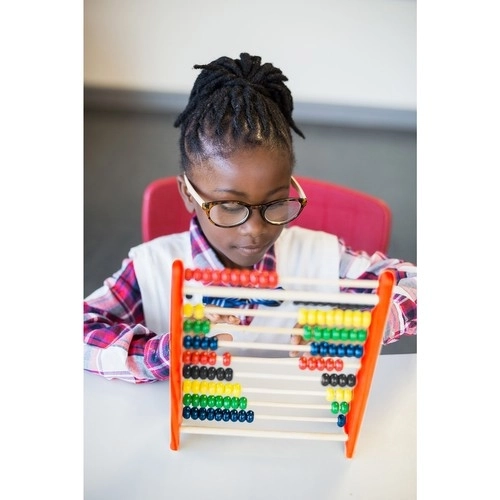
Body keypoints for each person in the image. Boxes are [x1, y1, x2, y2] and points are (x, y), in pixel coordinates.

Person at [84, 52, 417, 384]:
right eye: (230, 206)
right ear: (188, 194)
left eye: (275, 203)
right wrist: (165, 352)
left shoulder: (319, 259)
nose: (255, 230)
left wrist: (365, 325)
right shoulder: (151, 270)